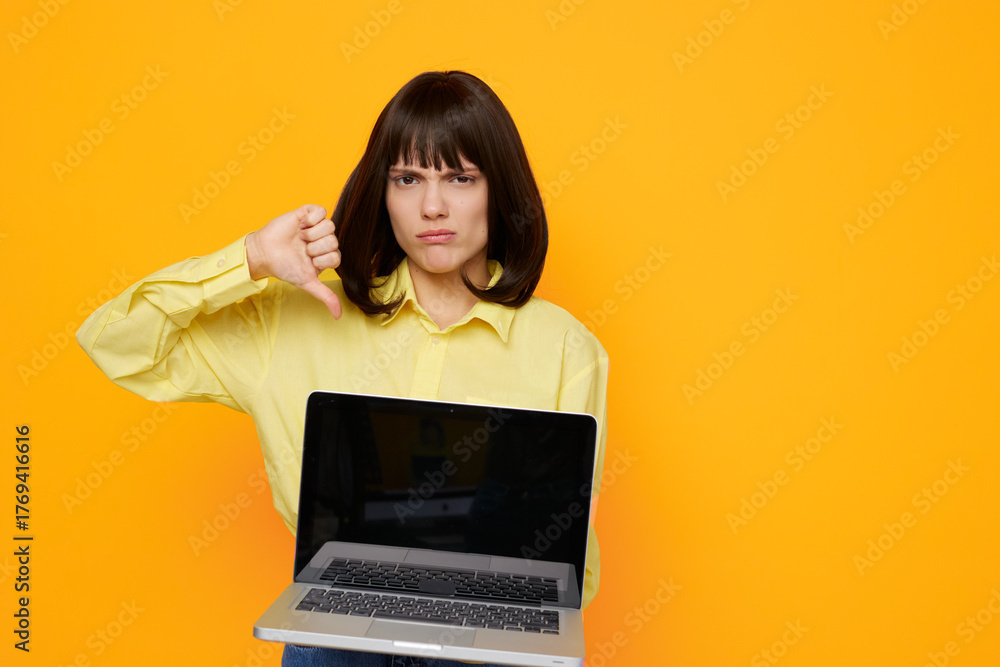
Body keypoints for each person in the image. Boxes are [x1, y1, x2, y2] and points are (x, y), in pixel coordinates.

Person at [77, 70, 609, 667]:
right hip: (336, 633)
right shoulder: (295, 319)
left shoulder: (566, 347)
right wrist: (249, 258)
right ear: (382, 191)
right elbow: (114, 342)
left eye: (460, 178)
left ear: (498, 190)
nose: (432, 205)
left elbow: (571, 565)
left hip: (490, 647)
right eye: (408, 178)